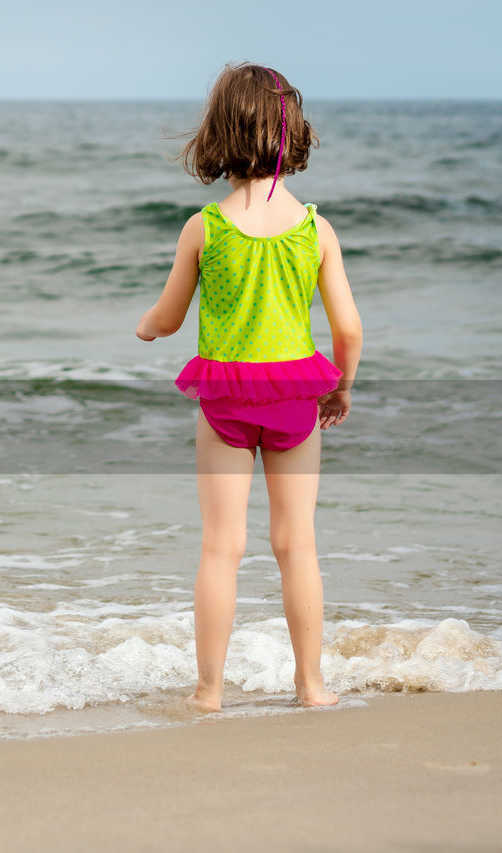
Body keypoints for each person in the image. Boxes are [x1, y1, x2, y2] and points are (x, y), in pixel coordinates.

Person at [135, 63, 362, 711]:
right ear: (293, 137)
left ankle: (208, 691)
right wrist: (341, 388)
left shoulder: (205, 228)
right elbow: (349, 329)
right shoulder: (315, 230)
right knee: (297, 543)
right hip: (296, 397)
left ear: (220, 135)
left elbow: (170, 315)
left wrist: (148, 327)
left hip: (227, 401)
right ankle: (312, 685)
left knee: (220, 546)